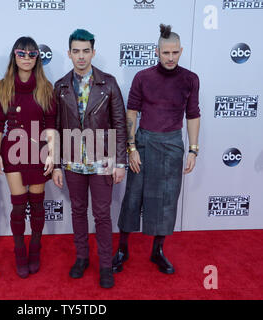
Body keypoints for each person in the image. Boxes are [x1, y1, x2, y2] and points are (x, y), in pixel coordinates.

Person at [112, 24, 201, 275]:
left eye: (175, 53)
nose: (170, 58)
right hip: (143, 142)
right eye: (166, 53)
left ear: (181, 51)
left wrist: (193, 150)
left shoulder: (190, 79)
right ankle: (123, 249)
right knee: (132, 198)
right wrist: (131, 148)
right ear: (157, 52)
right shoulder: (143, 77)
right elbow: (131, 112)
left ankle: (157, 250)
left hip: (173, 145)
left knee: (167, 201)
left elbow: (193, 115)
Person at [52, 29, 127, 288]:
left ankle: (106, 264)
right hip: (73, 162)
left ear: (93, 52)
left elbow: (119, 124)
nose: (81, 56)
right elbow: (58, 128)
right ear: (69, 53)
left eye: (86, 51)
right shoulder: (61, 86)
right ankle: (82, 258)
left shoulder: (109, 83)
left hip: (102, 161)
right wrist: (57, 165)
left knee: (103, 214)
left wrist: (120, 163)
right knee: (78, 211)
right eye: (76, 51)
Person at [0, 36, 56, 279]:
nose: (27, 58)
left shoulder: (45, 86)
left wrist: (51, 152)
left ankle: (35, 248)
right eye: (22, 53)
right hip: (13, 150)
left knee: (37, 205)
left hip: (38, 150)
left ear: (38, 58)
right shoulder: (2, 86)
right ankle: (20, 250)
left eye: (32, 54)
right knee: (19, 207)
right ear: (14, 56)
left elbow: (50, 122)